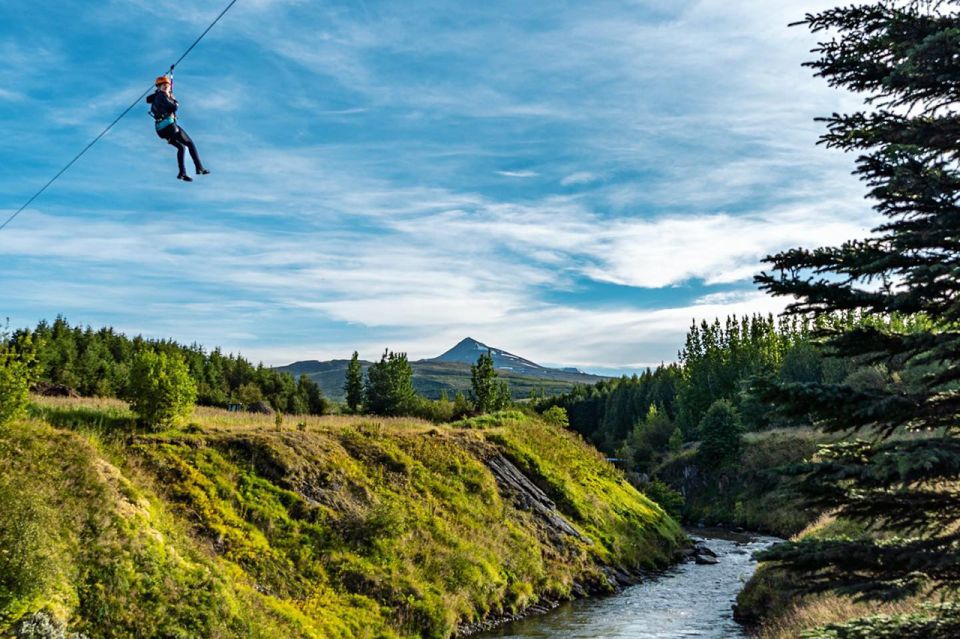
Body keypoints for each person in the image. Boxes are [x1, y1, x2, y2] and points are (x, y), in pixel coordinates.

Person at [146, 75, 210, 182]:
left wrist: (167, 95)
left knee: (181, 147)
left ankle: (182, 173)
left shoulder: (156, 97)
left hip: (161, 130)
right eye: (164, 86)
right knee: (190, 143)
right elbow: (174, 107)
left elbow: (148, 99)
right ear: (159, 87)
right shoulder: (162, 96)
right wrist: (174, 100)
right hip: (169, 127)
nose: (166, 87)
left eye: (167, 86)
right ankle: (199, 168)